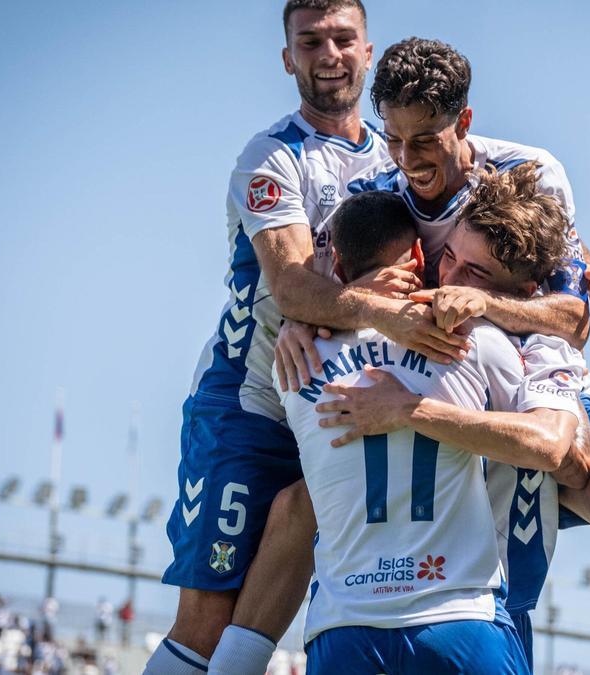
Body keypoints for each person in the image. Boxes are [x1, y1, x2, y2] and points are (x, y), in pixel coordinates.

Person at [278, 37, 590, 674]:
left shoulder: (528, 174)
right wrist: (304, 317)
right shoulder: (375, 184)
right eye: (395, 138)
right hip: (439, 371)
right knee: (292, 508)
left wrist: (482, 303)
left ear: (464, 122)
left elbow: (570, 317)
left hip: (534, 370)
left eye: (425, 139)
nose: (407, 159)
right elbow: (328, 280)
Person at [145, 1, 463, 671]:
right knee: (206, 617)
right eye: (310, 40)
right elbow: (291, 285)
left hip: (335, 404)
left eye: (343, 38)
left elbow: (478, 214)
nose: (329, 53)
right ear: (288, 57)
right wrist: (364, 313)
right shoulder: (271, 158)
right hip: (252, 402)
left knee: (316, 548)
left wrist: (584, 260)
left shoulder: (398, 151)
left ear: (368, 50)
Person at [289, 188, 590, 673]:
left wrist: (303, 320)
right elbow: (568, 458)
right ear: (419, 255)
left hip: (343, 624)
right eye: (446, 258)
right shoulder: (479, 342)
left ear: (337, 265)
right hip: (459, 617)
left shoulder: (294, 357)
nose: (450, 279)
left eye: (473, 272)